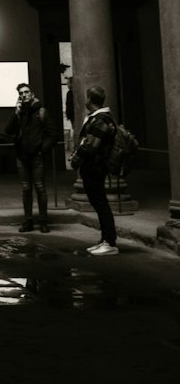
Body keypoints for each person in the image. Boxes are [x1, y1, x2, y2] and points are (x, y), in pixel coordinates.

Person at [71, 84, 119, 256]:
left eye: (87, 97)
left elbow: (91, 145)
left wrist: (76, 157)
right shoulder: (97, 118)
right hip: (94, 166)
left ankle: (110, 242)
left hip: (95, 167)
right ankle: (105, 239)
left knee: (101, 204)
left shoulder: (101, 119)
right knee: (99, 203)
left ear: (90, 99)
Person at [5, 81, 57, 232]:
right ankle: (28, 221)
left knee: (40, 188)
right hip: (22, 157)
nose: (24, 95)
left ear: (32, 94)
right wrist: (16, 114)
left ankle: (43, 221)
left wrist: (42, 149)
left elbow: (53, 135)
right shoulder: (20, 113)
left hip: (37, 157)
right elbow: (8, 130)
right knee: (26, 189)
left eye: (26, 92)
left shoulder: (41, 112)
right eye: (21, 93)